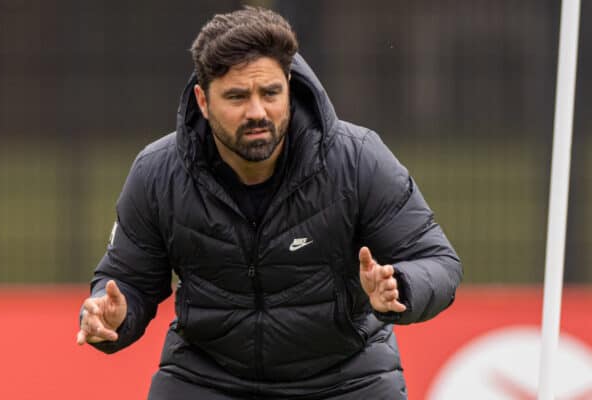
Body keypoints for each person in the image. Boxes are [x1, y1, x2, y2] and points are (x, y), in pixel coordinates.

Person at [76, 7, 462, 400]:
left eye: (271, 93)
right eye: (237, 96)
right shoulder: (157, 172)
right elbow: (127, 283)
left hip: (346, 378)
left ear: (289, 87)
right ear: (203, 101)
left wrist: (400, 285)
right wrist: (113, 317)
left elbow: (438, 262)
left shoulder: (358, 159)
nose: (257, 112)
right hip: (208, 378)